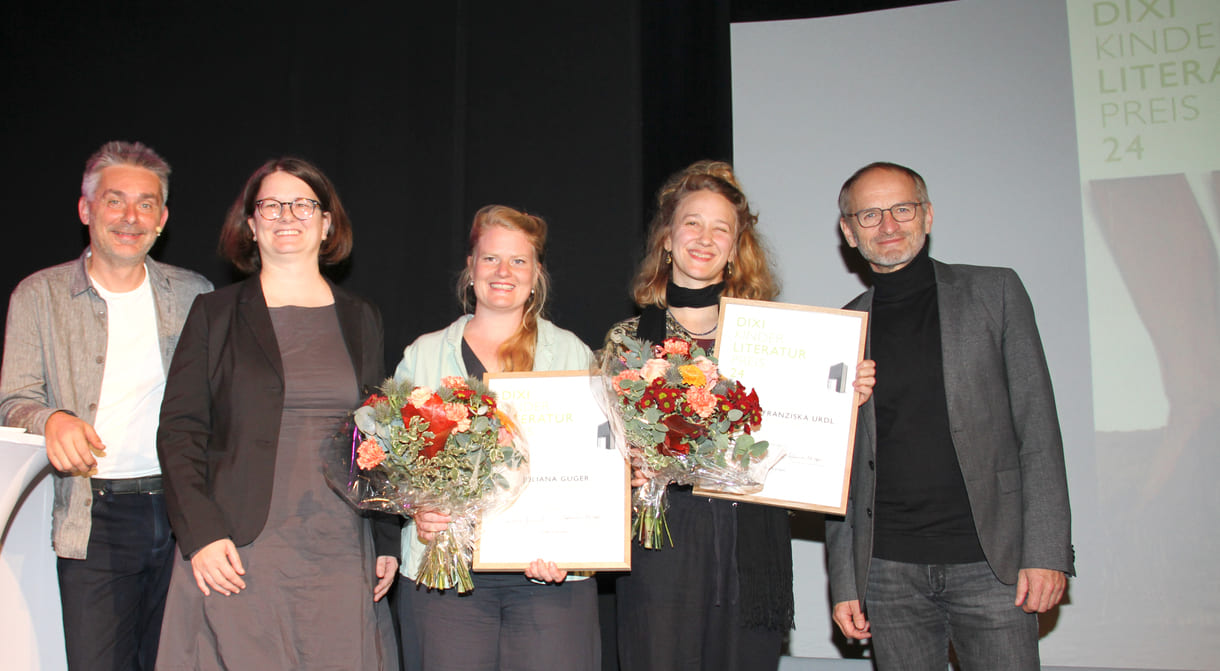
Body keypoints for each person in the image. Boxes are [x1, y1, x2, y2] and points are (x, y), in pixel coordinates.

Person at [602, 160, 874, 671]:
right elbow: (606, 453)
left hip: (751, 544)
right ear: (666, 238)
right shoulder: (628, 339)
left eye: (720, 229)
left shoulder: (775, 338)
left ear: (735, 248)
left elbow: (802, 430)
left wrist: (843, 400)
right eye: (692, 223)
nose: (705, 238)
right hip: (664, 544)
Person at [826, 161, 1074, 670]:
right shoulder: (838, 329)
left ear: (928, 215)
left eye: (902, 209)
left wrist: (1047, 552)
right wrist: (846, 580)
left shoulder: (996, 293)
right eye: (869, 215)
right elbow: (838, 469)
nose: (889, 225)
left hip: (993, 565)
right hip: (889, 571)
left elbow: (1038, 431)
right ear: (849, 232)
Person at [154, 157, 398, 669]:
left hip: (338, 548)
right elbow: (179, 433)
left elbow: (377, 435)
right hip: (238, 548)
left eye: (303, 204)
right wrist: (200, 535)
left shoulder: (361, 317)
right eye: (270, 205)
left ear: (327, 222)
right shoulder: (214, 314)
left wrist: (384, 538)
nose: (287, 215)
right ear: (250, 224)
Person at [0, 141, 212, 670]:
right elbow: (15, 399)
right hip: (93, 515)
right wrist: (51, 418)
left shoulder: (196, 295)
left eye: (145, 204)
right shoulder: (38, 295)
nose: (130, 217)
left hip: (183, 513)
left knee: (177, 662)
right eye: (115, 201)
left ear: (162, 218)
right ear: (86, 209)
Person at [394, 204, 600, 670]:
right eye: (490, 259)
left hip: (549, 578)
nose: (503, 272)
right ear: (471, 269)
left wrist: (574, 543)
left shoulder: (571, 353)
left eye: (519, 260)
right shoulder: (424, 355)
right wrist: (417, 506)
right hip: (444, 570)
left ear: (536, 274)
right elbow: (391, 459)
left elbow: (596, 466)